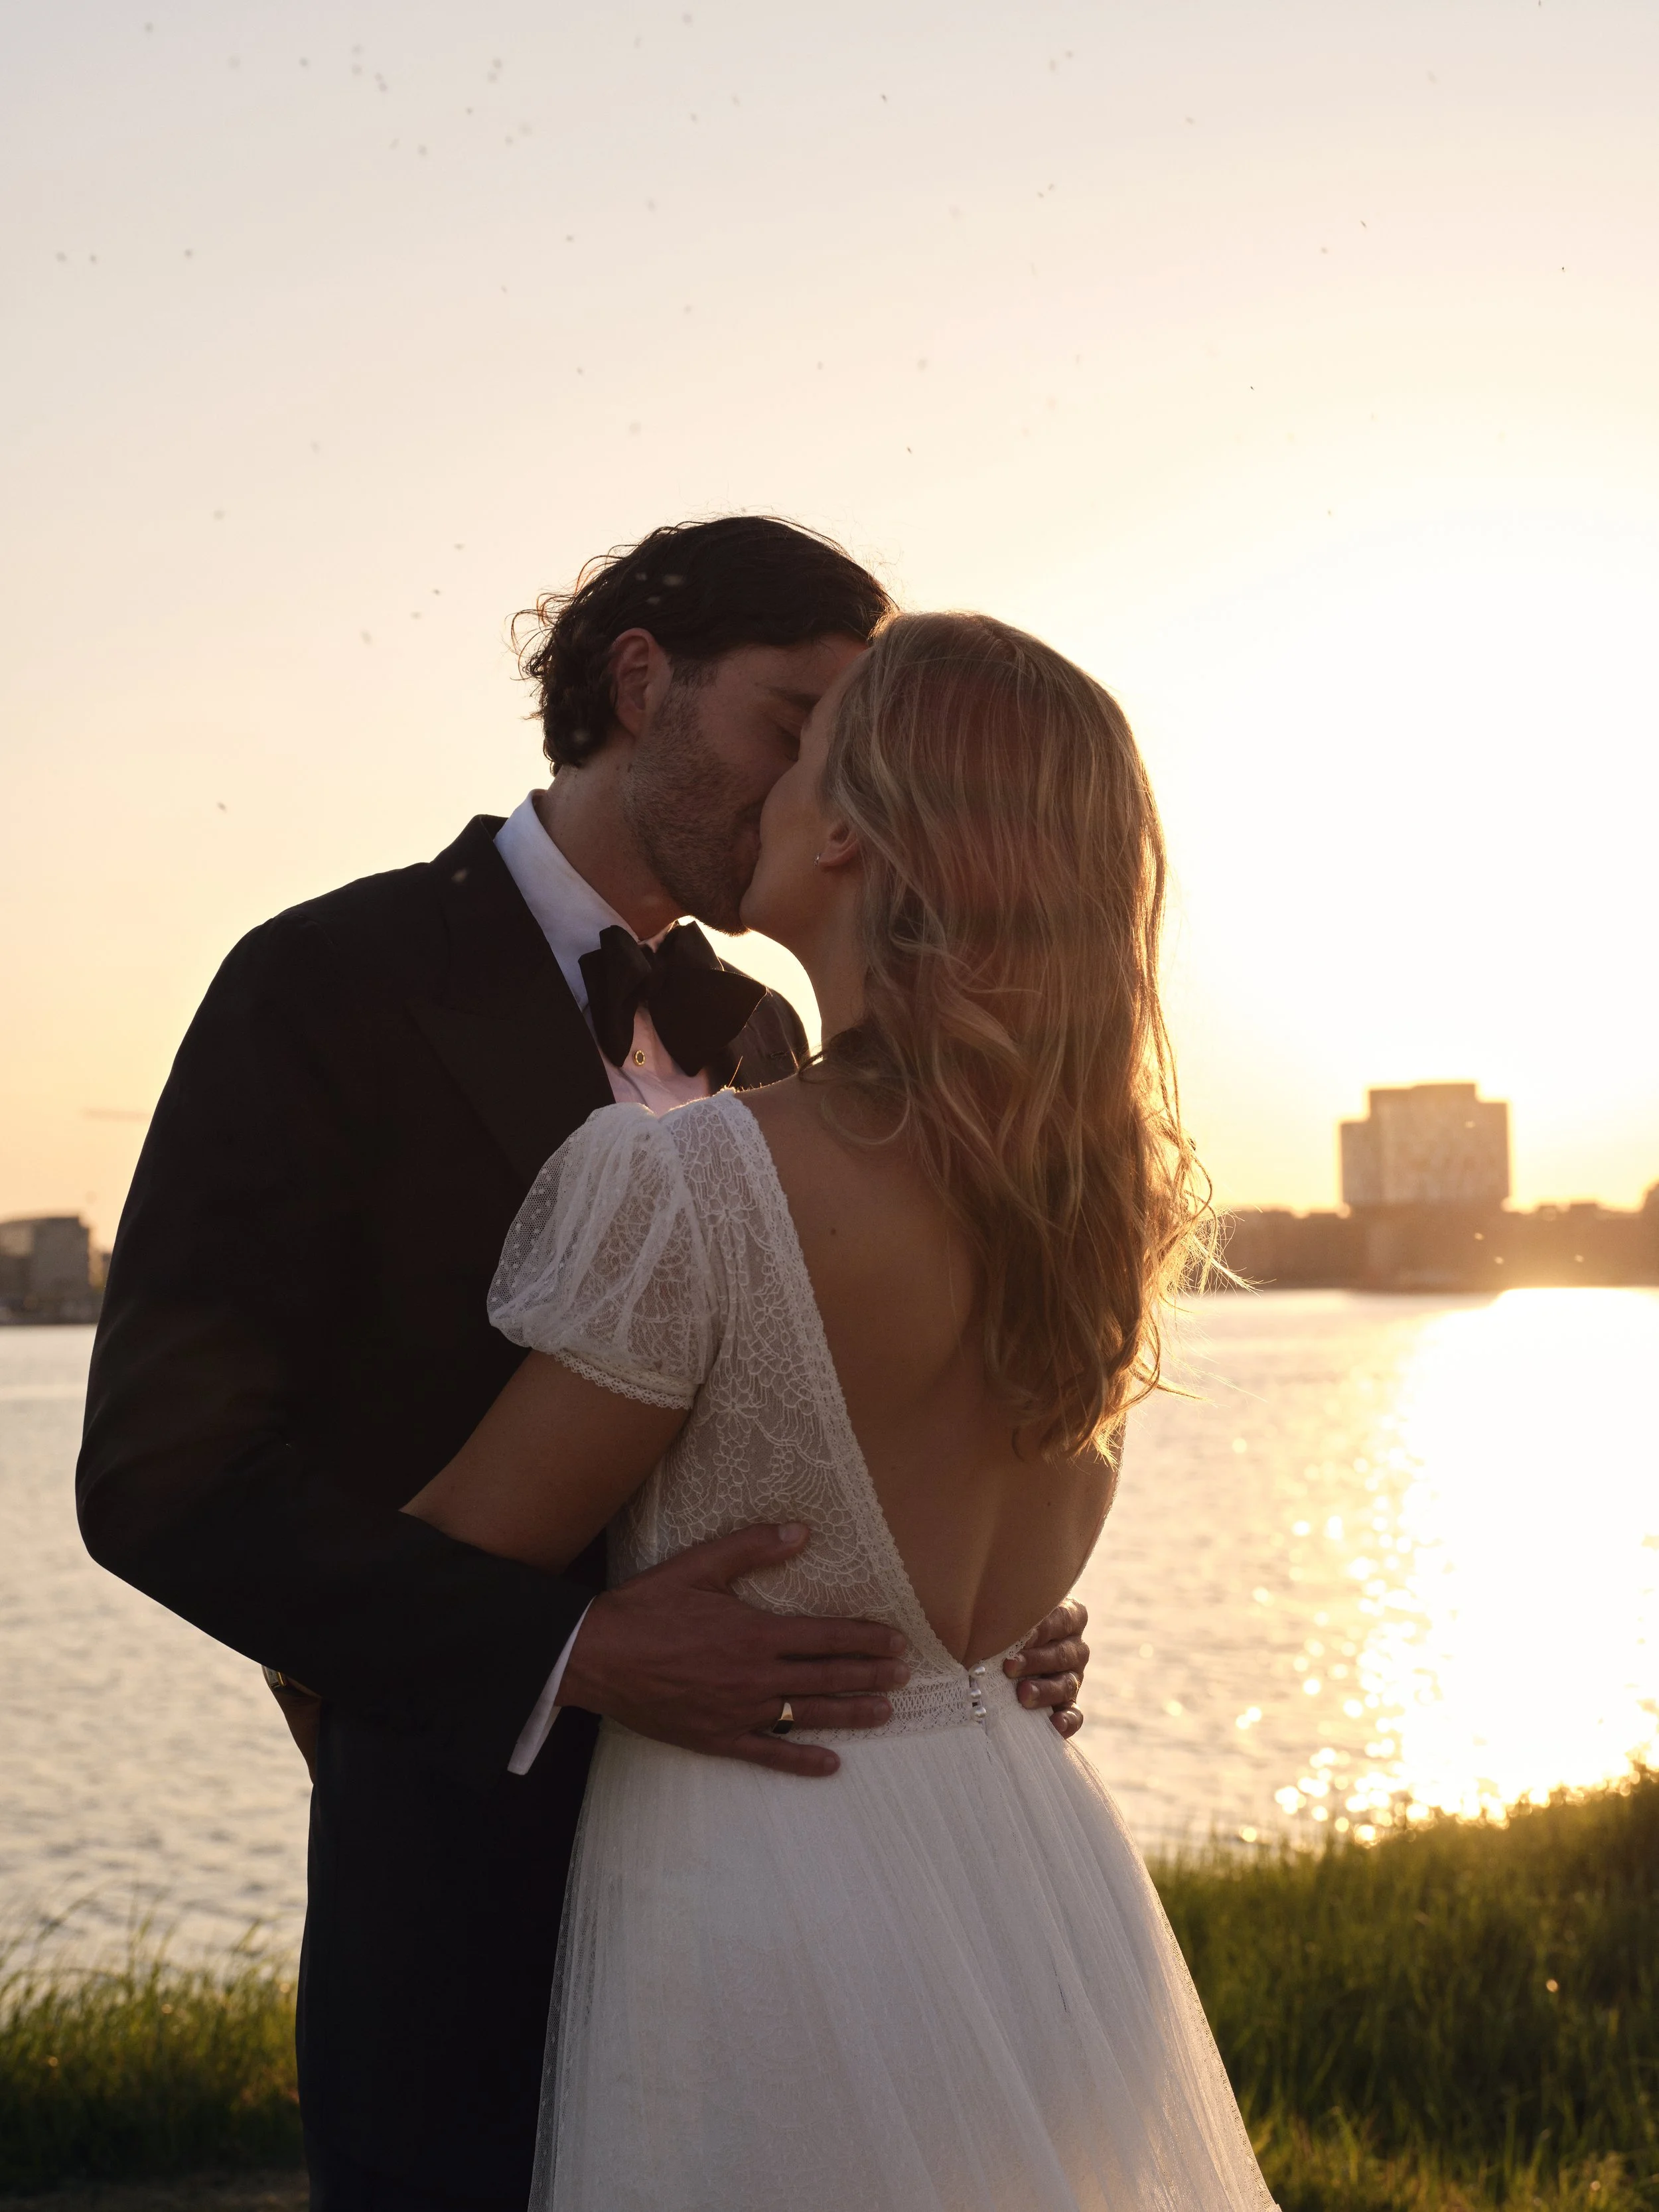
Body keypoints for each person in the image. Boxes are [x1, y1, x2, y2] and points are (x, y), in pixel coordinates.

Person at [76, 522, 1091, 2212]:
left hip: (794, 1884)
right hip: (465, 1886)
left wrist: (962, 1625)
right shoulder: (321, 983)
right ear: (643, 682)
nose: (806, 792)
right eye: (792, 722)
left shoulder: (769, 1043)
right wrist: (562, 1650)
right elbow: (163, 1480)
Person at [408, 611, 1276, 2211]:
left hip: (773, 1899)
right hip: (1029, 1874)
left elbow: (419, 1590)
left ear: (852, 826)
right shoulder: (1101, 1207)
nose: (762, 786)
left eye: (802, 746)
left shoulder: (699, 1183)